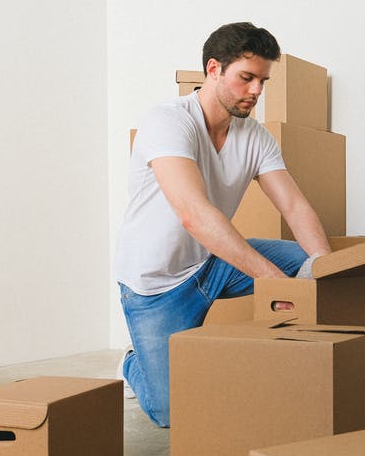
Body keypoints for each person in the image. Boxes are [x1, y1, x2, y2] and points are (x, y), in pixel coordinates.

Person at [113, 23, 332, 427]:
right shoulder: (168, 122)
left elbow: (296, 207)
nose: (256, 92)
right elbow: (193, 214)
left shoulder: (256, 137)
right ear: (213, 69)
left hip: (212, 263)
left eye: (263, 81)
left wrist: (322, 268)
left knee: (314, 262)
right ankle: (133, 360)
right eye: (246, 78)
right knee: (168, 413)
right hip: (156, 285)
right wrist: (278, 286)